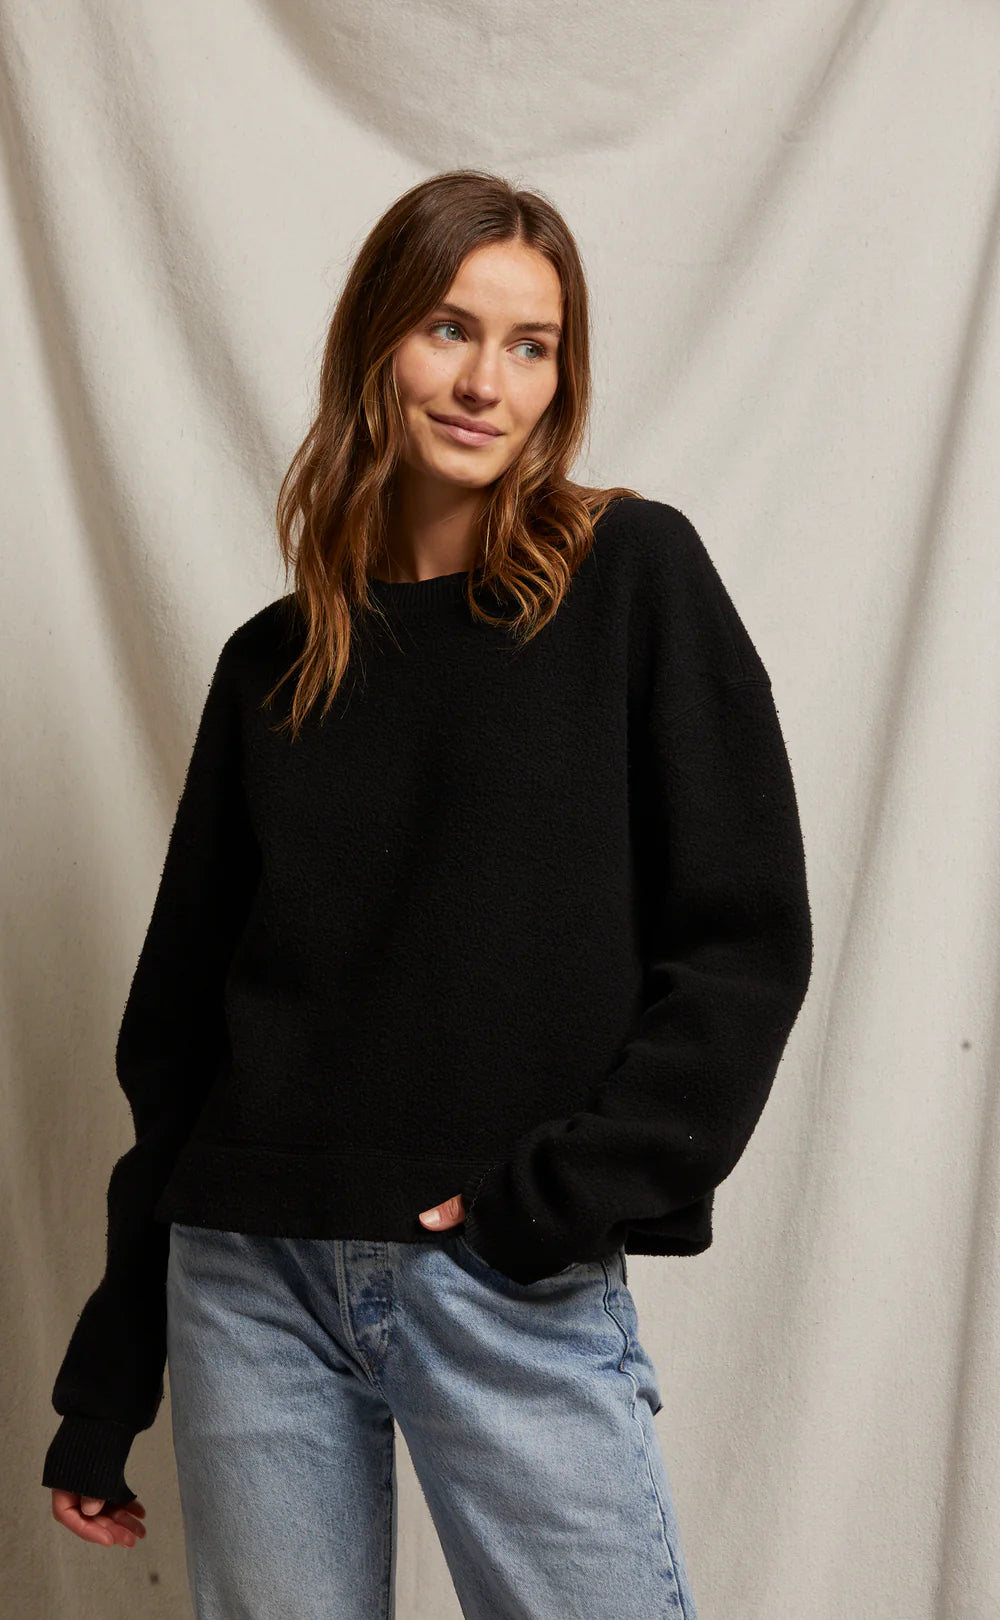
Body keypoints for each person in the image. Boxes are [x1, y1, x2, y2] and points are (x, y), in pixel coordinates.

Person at [43, 168, 813, 1619]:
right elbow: (180, 1039)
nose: (486, 382)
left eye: (532, 345)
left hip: (502, 1281)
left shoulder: (631, 577)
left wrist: (559, 1203)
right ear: (377, 343)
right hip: (249, 1280)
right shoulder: (275, 662)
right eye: (451, 330)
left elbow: (743, 946)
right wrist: (108, 1374)